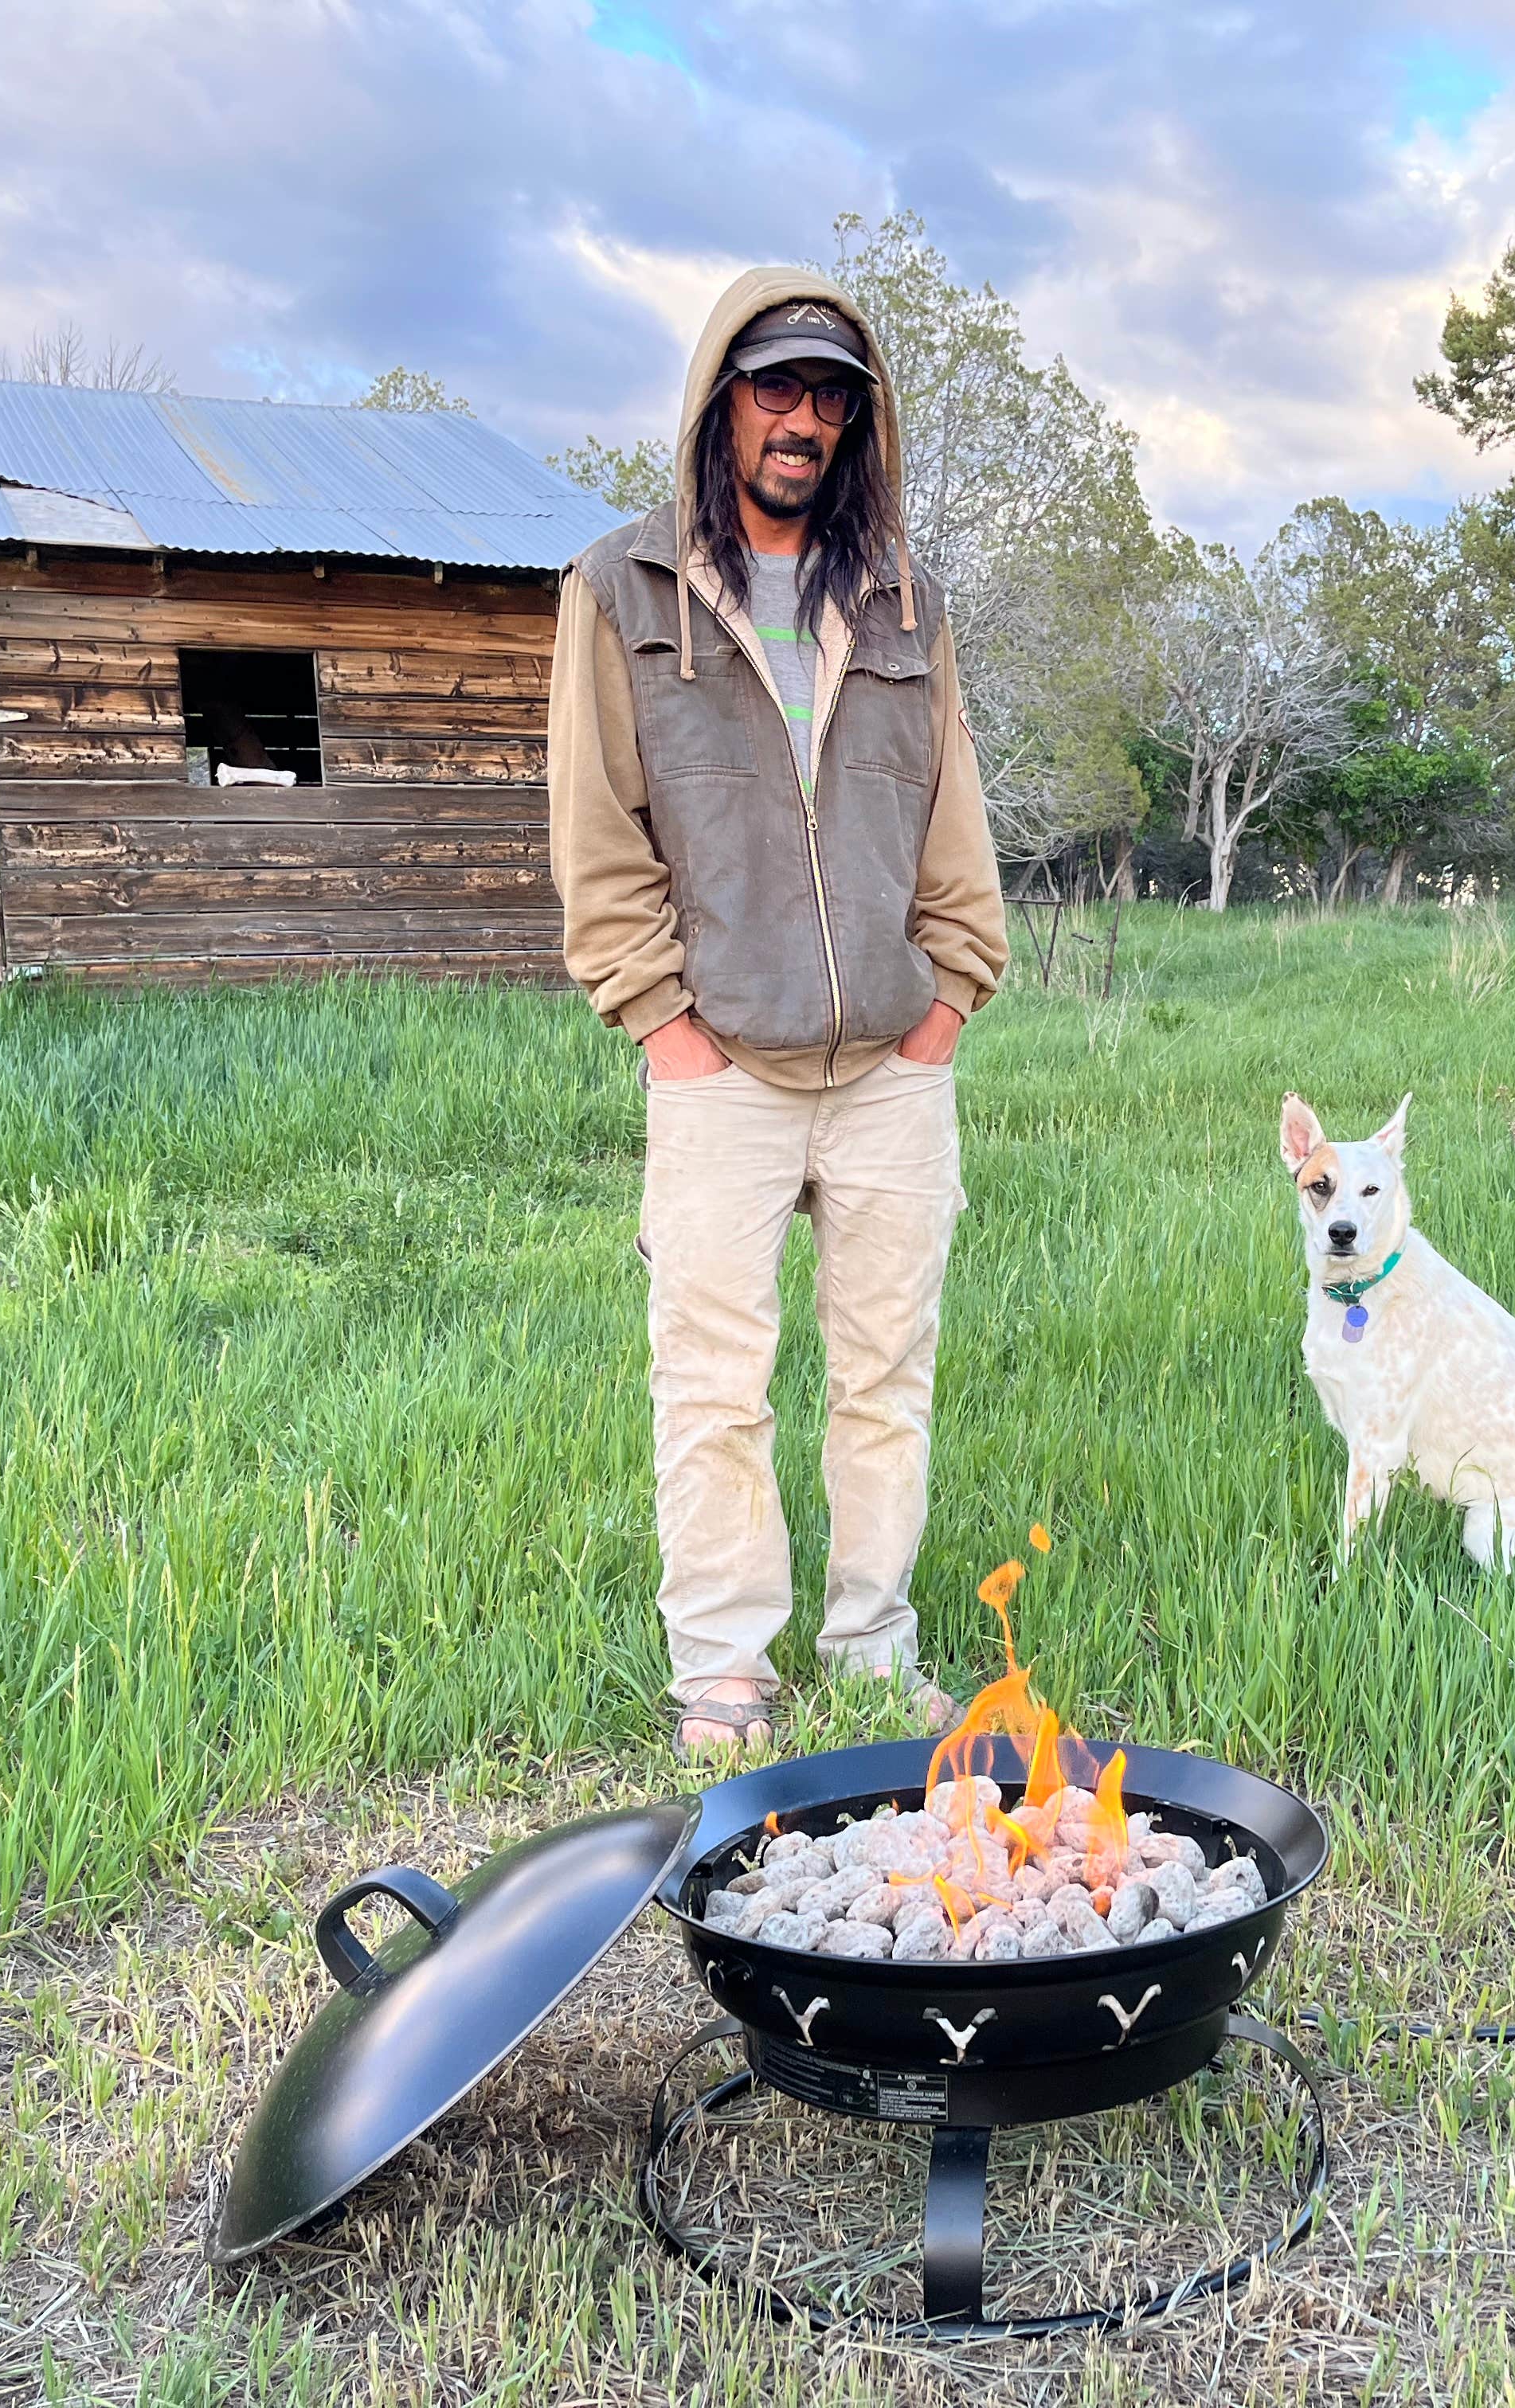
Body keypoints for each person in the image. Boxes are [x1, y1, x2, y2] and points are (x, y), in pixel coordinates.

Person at [549, 271, 1007, 1761]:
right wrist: (661, 1027)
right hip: (718, 1068)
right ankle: (726, 1672)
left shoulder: (903, 602)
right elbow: (598, 841)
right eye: (776, 388)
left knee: (887, 1376)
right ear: (719, 402)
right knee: (714, 1383)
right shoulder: (619, 593)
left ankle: (873, 1645)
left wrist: (946, 1007)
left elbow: (955, 828)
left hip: (891, 1067)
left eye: (832, 396)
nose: (803, 419)